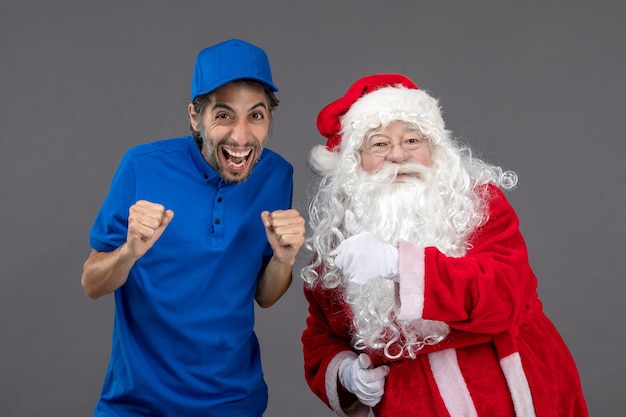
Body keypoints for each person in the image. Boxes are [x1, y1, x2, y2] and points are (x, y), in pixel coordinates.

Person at [301, 73, 588, 416]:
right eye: (378, 144)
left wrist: (400, 265)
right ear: (353, 163)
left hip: (517, 389)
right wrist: (346, 372)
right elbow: (322, 335)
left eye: (412, 140)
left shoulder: (479, 205)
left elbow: (504, 293)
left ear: (434, 148)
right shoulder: (336, 239)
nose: (397, 155)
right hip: (414, 402)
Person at [81, 38, 305, 417]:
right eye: (223, 115)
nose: (241, 136)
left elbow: (264, 297)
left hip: (234, 402)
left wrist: (284, 260)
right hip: (138, 404)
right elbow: (92, 283)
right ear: (194, 117)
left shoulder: (277, 175)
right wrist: (129, 252)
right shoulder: (141, 167)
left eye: (256, 115)